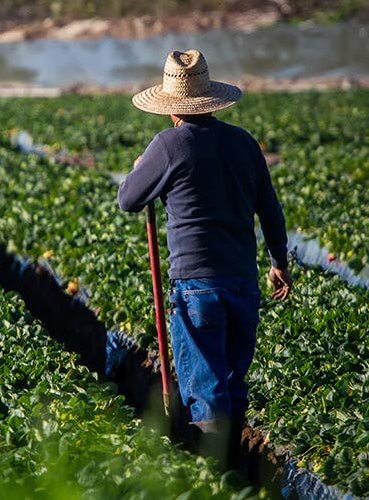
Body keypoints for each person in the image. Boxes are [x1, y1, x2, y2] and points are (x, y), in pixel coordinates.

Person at [117, 49, 292, 464]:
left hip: (197, 289)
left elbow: (128, 198)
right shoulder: (244, 142)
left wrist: (142, 166)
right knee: (231, 383)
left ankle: (213, 476)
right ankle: (239, 470)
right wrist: (278, 262)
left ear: (171, 108)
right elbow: (270, 208)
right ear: (210, 99)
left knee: (206, 392)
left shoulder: (169, 144)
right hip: (243, 284)